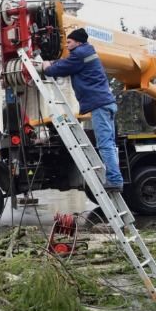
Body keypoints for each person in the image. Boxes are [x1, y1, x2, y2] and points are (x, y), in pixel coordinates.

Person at [42, 28, 124, 191]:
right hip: (105, 102)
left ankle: (114, 180)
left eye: (69, 42)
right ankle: (115, 178)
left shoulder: (79, 55)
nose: (66, 44)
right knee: (109, 143)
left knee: (105, 144)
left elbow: (57, 69)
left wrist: (46, 66)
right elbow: (66, 63)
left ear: (78, 42)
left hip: (99, 104)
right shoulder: (85, 52)